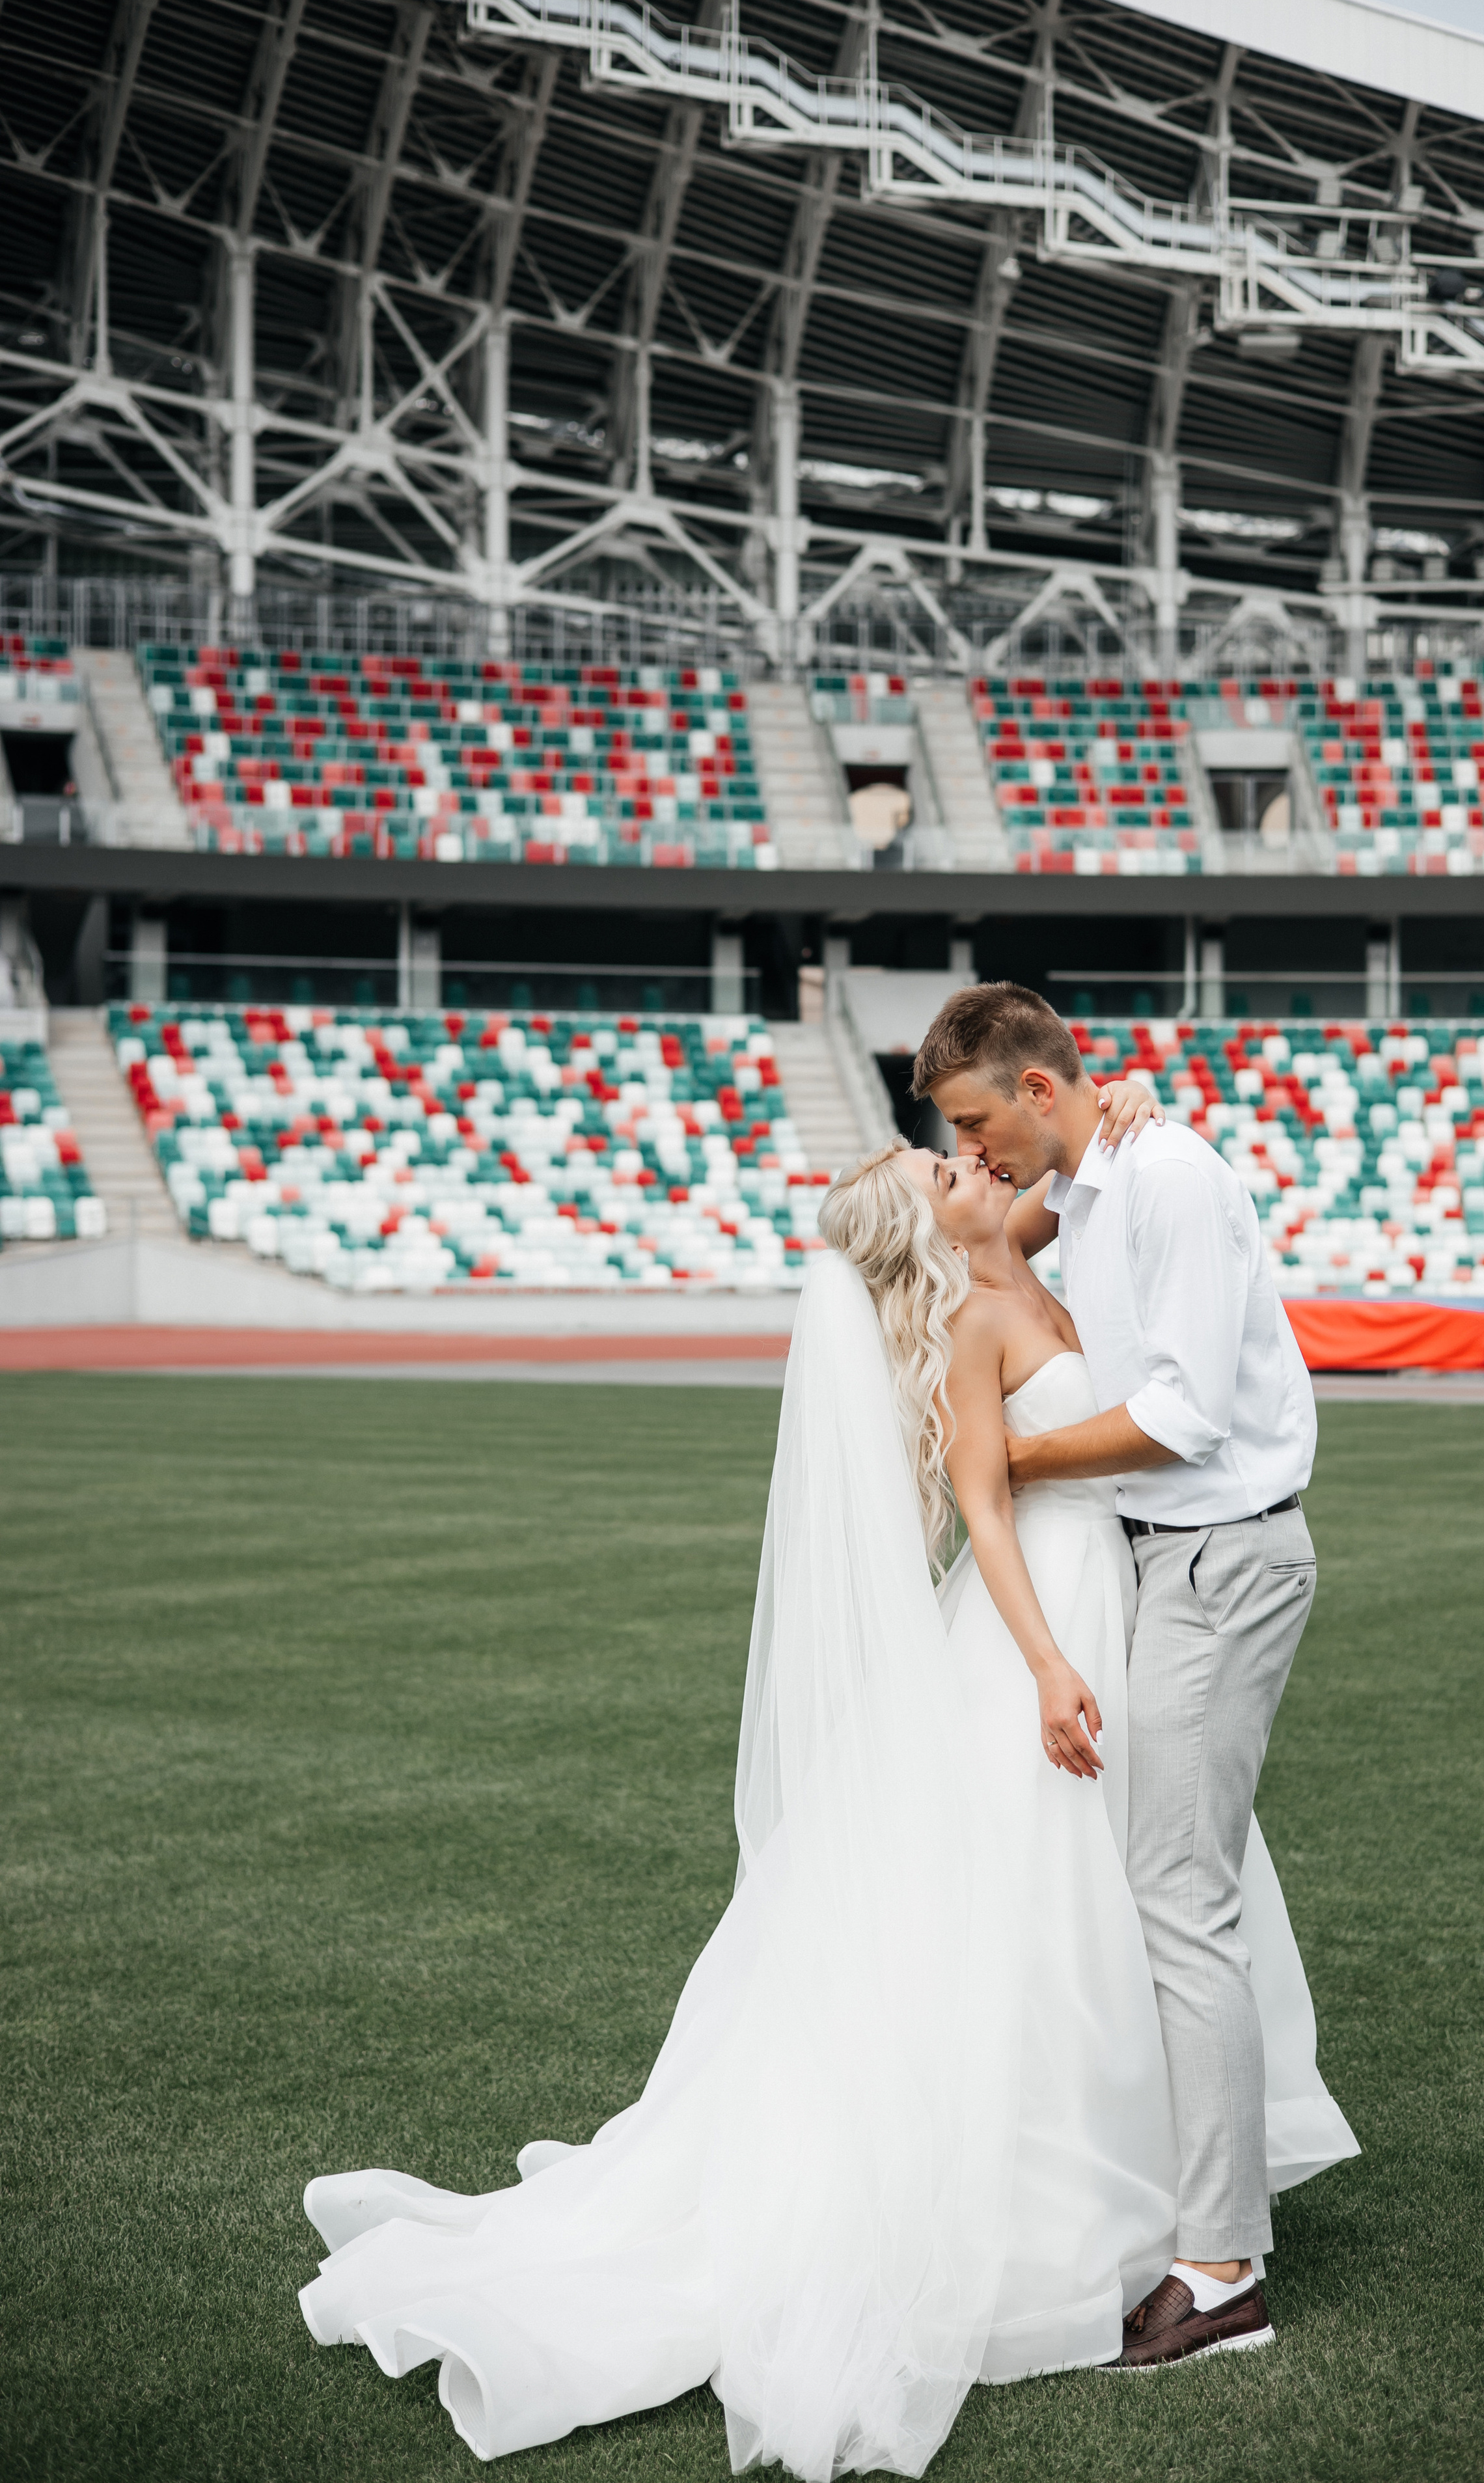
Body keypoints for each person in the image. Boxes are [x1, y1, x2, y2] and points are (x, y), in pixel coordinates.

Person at [297, 1131, 1356, 2473]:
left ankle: (1170, 2195)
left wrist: (1116, 1119)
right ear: (930, 1227)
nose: (967, 1163)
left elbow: (1069, 1181)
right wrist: (1043, 1666)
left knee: (1118, 1898)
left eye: (961, 1151)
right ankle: (1086, 2204)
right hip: (1050, 1614)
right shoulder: (972, 1316)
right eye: (943, 1168)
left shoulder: (1011, 1253)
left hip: (1116, 1591)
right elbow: (980, 1507)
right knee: (1037, 1914)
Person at [913, 982, 1332, 2368]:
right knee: (1168, 1888)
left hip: (1218, 1558)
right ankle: (1191, 2217)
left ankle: (1217, 2274)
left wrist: (1015, 1461)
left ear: (1036, 1090)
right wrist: (1099, 1128)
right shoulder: (1093, 1178)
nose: (976, 1157)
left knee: (1177, 1899)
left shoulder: (1158, 1180)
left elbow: (1179, 1413)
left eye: (981, 1124)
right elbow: (994, 1244)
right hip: (1168, 1565)